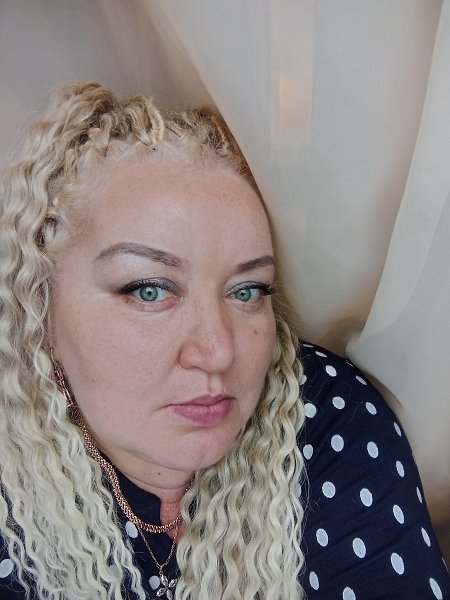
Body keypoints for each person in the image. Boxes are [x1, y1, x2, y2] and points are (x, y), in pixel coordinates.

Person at [0, 81, 448, 600]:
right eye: (149, 290)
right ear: (41, 306)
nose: (218, 352)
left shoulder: (323, 417)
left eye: (247, 290)